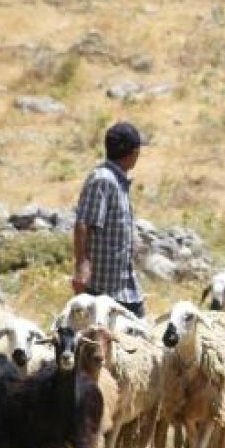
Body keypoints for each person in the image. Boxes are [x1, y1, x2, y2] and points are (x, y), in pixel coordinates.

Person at [72, 121, 147, 318]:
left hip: (122, 285)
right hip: (102, 289)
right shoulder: (103, 180)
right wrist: (81, 265)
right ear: (132, 153)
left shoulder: (117, 180)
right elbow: (83, 224)